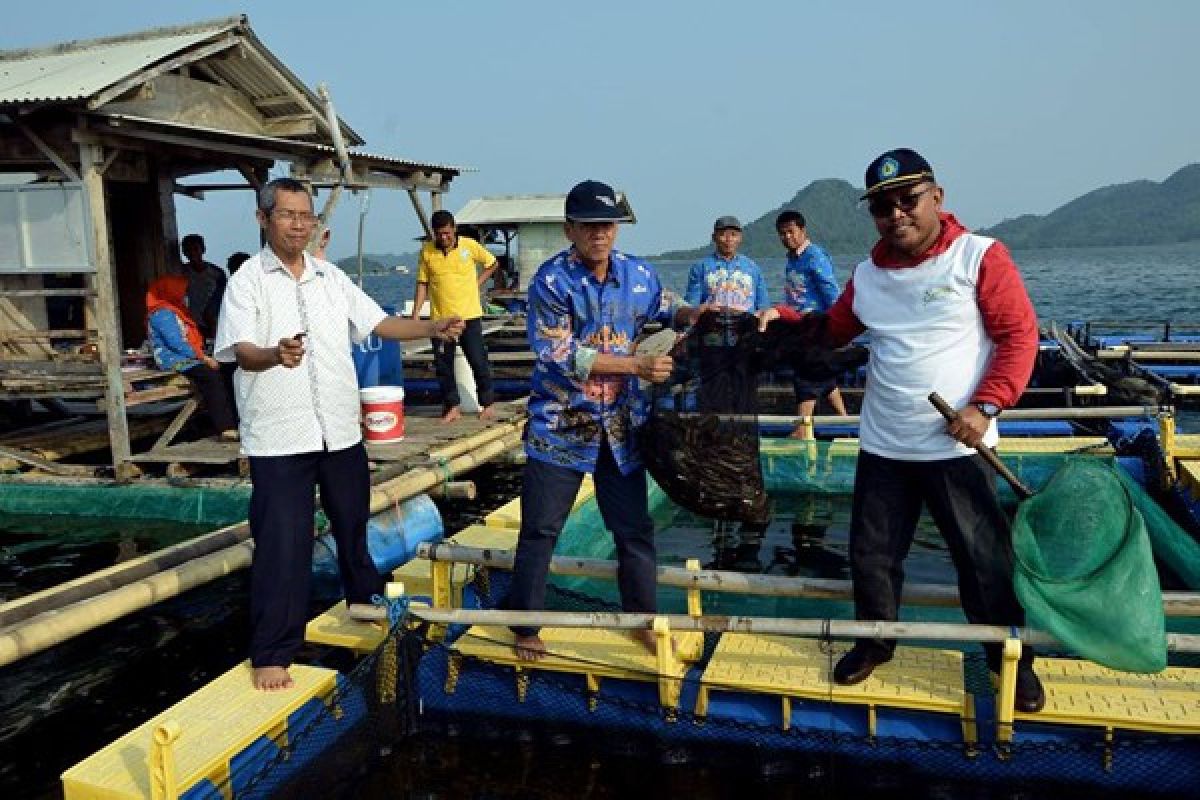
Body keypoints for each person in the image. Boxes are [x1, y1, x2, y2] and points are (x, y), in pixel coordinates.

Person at [758, 149, 1045, 712]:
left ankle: (1010, 660)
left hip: (957, 447)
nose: (896, 214)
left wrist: (986, 406)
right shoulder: (868, 274)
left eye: (907, 199)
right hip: (885, 444)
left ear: (936, 197)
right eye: (882, 207)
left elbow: (1019, 337)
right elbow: (833, 329)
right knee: (871, 556)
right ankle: (875, 644)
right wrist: (782, 319)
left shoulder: (979, 256)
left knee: (984, 563)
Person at [215, 177, 464, 691]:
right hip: (280, 437)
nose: (299, 224)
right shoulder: (247, 281)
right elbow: (241, 352)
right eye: (288, 215)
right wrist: (274, 355)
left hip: (338, 429)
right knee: (284, 543)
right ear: (264, 219)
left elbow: (378, 324)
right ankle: (272, 650)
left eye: (306, 216)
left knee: (353, 523)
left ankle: (361, 599)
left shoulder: (331, 278)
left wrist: (433, 327)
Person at [505, 179, 703, 661]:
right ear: (570, 229)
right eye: (589, 226)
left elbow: (667, 308)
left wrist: (697, 312)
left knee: (633, 531)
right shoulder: (551, 282)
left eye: (608, 224)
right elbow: (558, 354)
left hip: (621, 430)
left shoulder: (639, 275)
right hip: (561, 428)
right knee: (540, 530)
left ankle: (641, 620)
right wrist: (636, 366)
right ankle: (525, 626)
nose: (600, 234)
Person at [410, 210, 499, 422]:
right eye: (439, 234)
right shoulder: (427, 252)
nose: (444, 238)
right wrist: (415, 314)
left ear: (454, 229)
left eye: (447, 233)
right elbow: (422, 283)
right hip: (441, 319)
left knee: (478, 360)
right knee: (443, 366)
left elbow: (492, 263)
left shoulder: (468, 245)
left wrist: (478, 283)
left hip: (469, 315)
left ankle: (487, 403)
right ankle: (451, 406)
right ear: (434, 232)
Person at [775, 210, 849, 437]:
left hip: (816, 325)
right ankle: (845, 421)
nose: (787, 237)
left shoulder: (814, 256)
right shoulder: (792, 260)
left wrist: (835, 324)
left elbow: (830, 291)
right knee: (824, 377)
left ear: (802, 230)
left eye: (791, 231)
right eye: (782, 233)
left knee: (806, 376)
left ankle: (801, 428)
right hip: (800, 326)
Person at [145, 275, 238, 440]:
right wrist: (204, 358)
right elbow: (177, 344)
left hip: (189, 357)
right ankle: (226, 427)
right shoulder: (162, 314)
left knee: (229, 369)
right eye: (182, 291)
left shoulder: (176, 310)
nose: (185, 295)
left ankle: (236, 419)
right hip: (174, 360)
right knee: (211, 376)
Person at [684, 216, 770, 312]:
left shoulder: (753, 268)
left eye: (733, 235)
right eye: (722, 234)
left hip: (745, 323)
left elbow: (763, 306)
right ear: (714, 237)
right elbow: (691, 306)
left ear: (740, 238)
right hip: (713, 323)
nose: (729, 239)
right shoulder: (700, 267)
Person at [181, 233, 227, 338]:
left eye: (195, 249)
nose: (192, 253)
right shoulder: (181, 272)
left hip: (213, 324)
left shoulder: (217, 273)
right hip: (190, 324)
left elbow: (222, 298)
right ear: (184, 253)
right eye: (188, 250)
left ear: (203, 249)